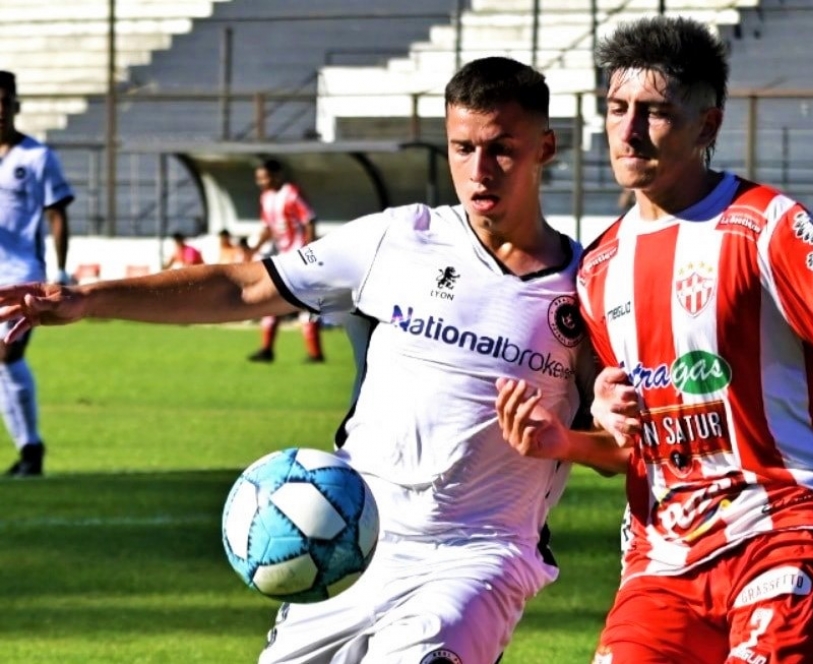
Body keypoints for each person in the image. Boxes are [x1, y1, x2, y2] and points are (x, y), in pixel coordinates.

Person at [0, 56, 595, 664]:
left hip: (479, 553)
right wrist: (89, 300)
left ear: (544, 147)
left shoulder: (588, 284)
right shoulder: (398, 239)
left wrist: (567, 444)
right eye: (461, 148)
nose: (478, 170)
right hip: (348, 536)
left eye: (501, 149)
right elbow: (241, 288)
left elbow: (628, 441)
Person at [494, 17, 813, 664]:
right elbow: (631, 447)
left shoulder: (764, 226)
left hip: (786, 530)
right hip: (660, 561)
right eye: (616, 109)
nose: (629, 130)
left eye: (655, 112)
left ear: (708, 126)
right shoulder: (598, 269)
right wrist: (566, 442)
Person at [0, 70, 74, 477]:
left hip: (23, 273)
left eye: (4, 102)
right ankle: (29, 450)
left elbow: (57, 214)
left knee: (9, 354)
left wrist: (60, 270)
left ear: (16, 106)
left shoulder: (37, 157)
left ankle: (31, 450)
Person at [247, 158, 324, 363]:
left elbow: (309, 220)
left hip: (298, 255)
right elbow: (269, 228)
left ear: (276, 175)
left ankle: (314, 353)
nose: (261, 182)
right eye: (259, 178)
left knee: (301, 302)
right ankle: (267, 349)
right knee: (277, 300)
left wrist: (308, 253)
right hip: (284, 257)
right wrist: (253, 249)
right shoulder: (266, 197)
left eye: (264, 177)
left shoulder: (292, 193)